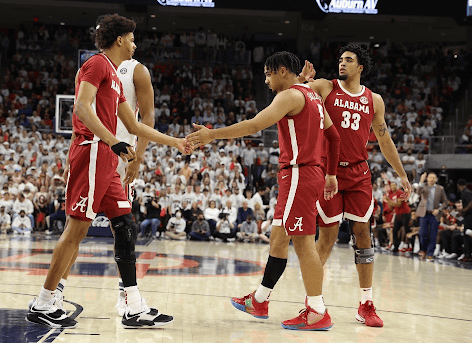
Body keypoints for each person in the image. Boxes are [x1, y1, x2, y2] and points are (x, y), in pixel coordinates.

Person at [27, 14, 188, 329]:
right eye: (131, 38)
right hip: (91, 151)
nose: (134, 43)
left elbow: (134, 125)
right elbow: (82, 107)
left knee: (126, 226)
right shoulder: (97, 65)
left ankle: (132, 305)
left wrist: (176, 143)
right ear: (119, 40)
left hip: (106, 158)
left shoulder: (114, 75)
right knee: (77, 229)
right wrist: (114, 142)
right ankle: (44, 301)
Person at [186, 51, 340, 331]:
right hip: (303, 174)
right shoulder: (311, 96)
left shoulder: (291, 96)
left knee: (304, 243)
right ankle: (259, 299)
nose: (266, 80)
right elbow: (333, 135)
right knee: (278, 238)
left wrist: (211, 134)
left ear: (282, 71)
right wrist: (329, 173)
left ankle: (317, 311)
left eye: (268, 74)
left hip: (299, 174)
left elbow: (254, 125)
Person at [303, 44, 411, 327]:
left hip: (360, 174)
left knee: (363, 234)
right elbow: (295, 93)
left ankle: (366, 303)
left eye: (348, 60)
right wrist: (302, 80)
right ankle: (312, 303)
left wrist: (401, 174)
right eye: (340, 60)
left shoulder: (374, 100)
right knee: (326, 238)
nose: (342, 64)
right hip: (330, 173)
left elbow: (384, 140)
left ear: (360, 67)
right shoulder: (326, 87)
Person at [415, 172, 448, 260]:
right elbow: (417, 193)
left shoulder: (440, 188)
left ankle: (430, 253)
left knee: (433, 234)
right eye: (430, 177)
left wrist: (439, 210)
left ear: (436, 179)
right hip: (424, 213)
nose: (432, 179)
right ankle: (424, 250)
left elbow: (445, 202)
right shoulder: (423, 186)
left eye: (434, 177)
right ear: (427, 178)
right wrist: (421, 181)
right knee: (422, 233)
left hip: (434, 214)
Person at [457, 179, 472, 262]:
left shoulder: (466, 192)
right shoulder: (468, 191)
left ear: (459, 185)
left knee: (466, 235)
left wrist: (463, 210)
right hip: (468, 216)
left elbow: (471, 203)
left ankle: (467, 255)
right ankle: (467, 254)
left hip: (469, 217)